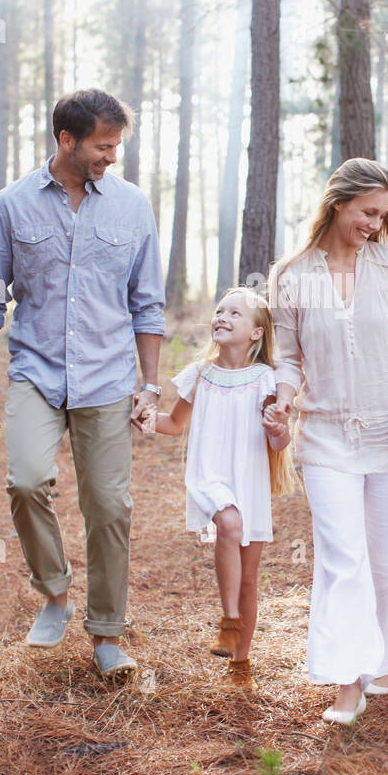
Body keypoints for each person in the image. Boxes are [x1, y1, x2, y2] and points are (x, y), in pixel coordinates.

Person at [0, 88, 165, 680]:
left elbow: (148, 305)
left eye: (117, 146)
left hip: (107, 377)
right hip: (36, 369)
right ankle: (54, 593)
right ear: (66, 141)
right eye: (103, 146)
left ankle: (108, 633)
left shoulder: (132, 207)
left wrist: (150, 386)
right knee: (26, 480)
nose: (111, 157)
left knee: (108, 507)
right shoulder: (12, 204)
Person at [265, 158, 388, 725]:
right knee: (344, 558)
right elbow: (289, 359)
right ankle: (348, 682)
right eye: (368, 212)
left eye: (382, 215)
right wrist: (282, 399)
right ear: (338, 202)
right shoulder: (292, 275)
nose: (375, 223)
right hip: (325, 440)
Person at [145, 287, 292, 688]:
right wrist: (139, 415)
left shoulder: (266, 379)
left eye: (234, 313)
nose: (222, 317)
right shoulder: (200, 375)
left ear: (257, 334)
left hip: (250, 481)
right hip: (210, 476)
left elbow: (278, 442)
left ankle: (240, 665)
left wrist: (279, 428)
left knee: (249, 578)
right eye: (219, 311)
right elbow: (173, 423)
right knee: (228, 524)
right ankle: (228, 620)